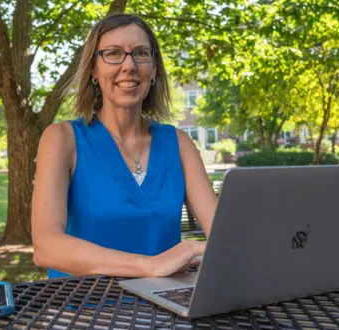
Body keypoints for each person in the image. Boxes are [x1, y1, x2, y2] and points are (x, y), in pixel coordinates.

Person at [31, 13, 218, 279]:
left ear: (153, 69)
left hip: (164, 310)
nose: (128, 66)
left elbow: (224, 238)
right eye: (113, 53)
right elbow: (47, 247)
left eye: (141, 53)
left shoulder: (179, 144)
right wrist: (150, 266)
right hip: (80, 311)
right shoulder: (62, 139)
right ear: (94, 70)